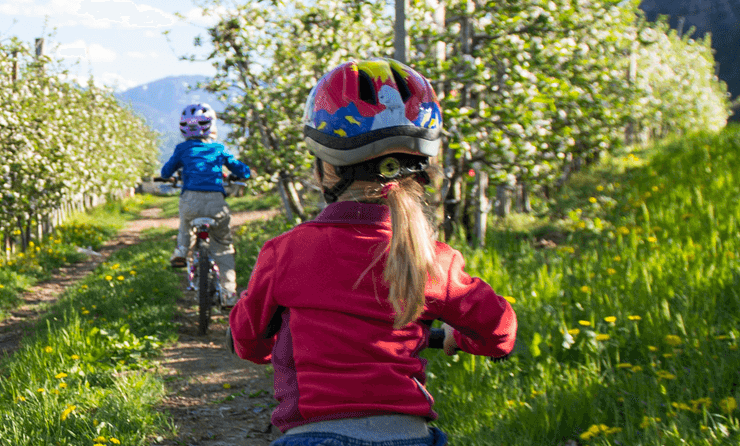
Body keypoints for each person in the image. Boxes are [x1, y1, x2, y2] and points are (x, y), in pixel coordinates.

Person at [228, 59, 517, 446]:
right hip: (411, 438)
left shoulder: (286, 253)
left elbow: (248, 341)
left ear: (324, 170)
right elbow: (500, 331)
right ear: (418, 171)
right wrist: (458, 337)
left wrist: (269, 345)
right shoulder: (433, 259)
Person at [159, 102, 252, 295]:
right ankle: (228, 291)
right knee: (223, 245)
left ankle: (183, 250)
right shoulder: (218, 149)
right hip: (216, 202)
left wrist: (171, 174)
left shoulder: (182, 149)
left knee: (185, 223)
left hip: (191, 199)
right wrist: (243, 173)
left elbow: (166, 171)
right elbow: (241, 169)